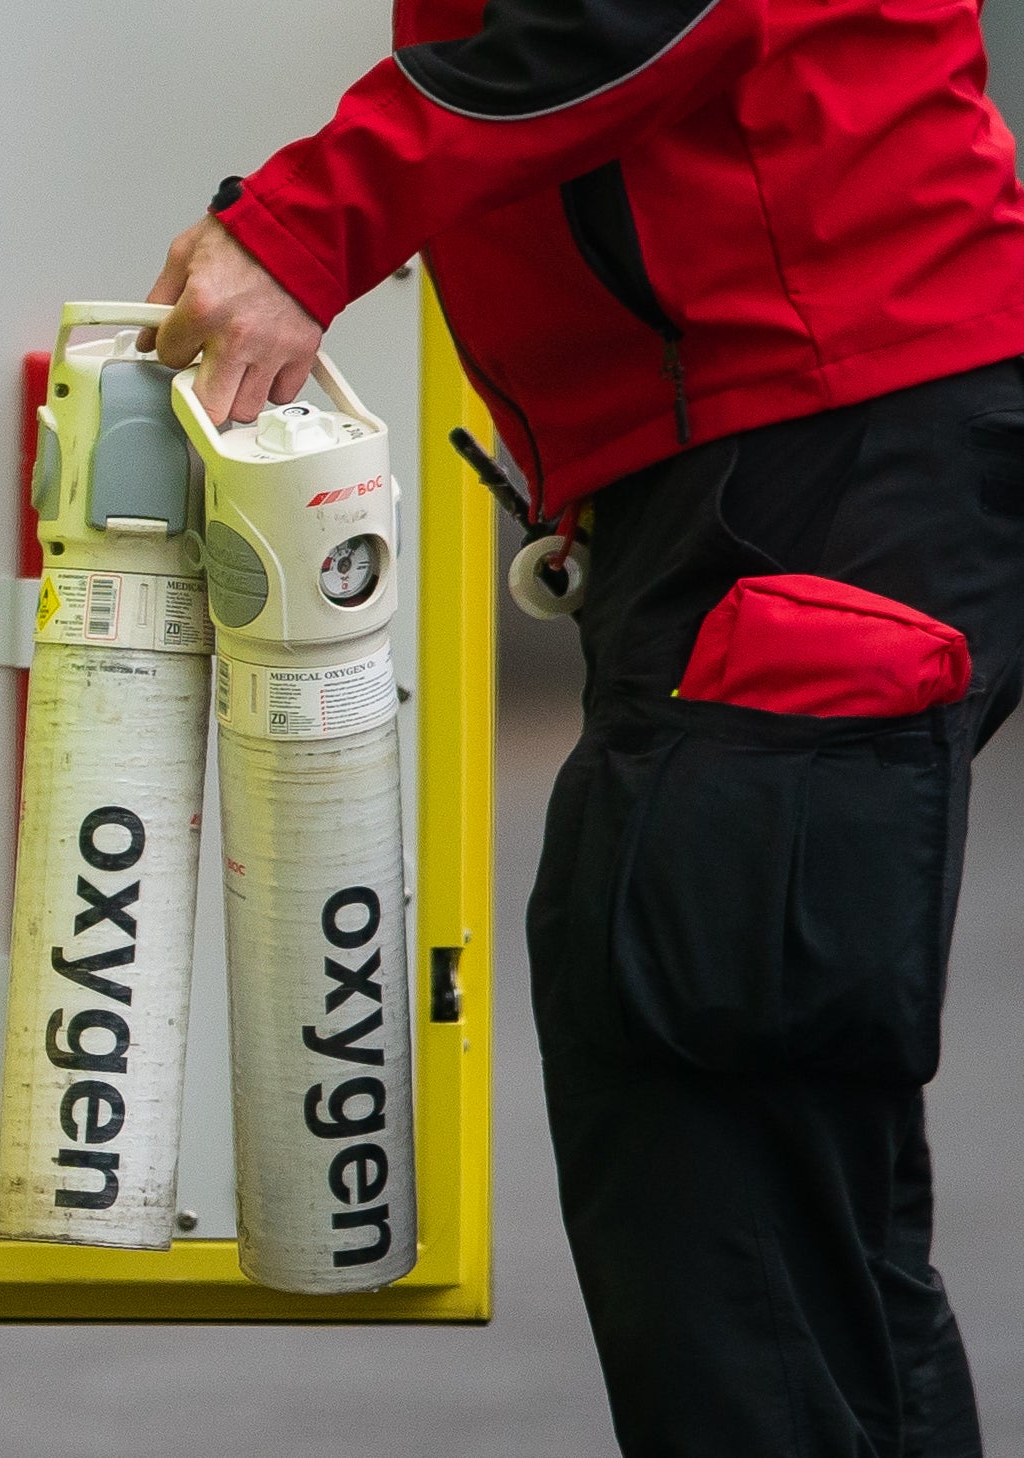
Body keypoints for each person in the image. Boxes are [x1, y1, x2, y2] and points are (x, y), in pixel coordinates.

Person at [142, 3, 1024, 1453]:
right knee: (785, 1173)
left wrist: (316, 219)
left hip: (822, 432)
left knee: (714, 1120)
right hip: (782, 451)